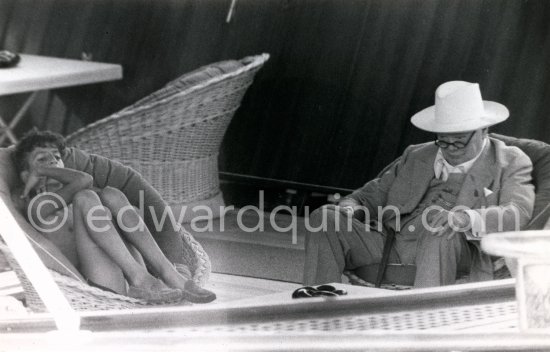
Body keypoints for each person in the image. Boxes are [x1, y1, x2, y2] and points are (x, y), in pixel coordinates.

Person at [303, 81, 535, 288]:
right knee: (325, 218)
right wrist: (349, 207)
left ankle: (423, 326)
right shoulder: (417, 155)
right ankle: (316, 308)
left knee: (441, 230)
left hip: (454, 251)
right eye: (443, 141)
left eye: (460, 142)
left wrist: (465, 218)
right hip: (390, 245)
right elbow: (366, 198)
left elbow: (517, 213)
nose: (450, 149)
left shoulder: (510, 160)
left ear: (484, 130)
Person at [13, 130, 216, 303]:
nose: (53, 162)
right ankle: (141, 279)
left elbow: (100, 192)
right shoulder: (38, 206)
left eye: (56, 157)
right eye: (42, 160)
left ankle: (170, 274)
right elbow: (83, 179)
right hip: (101, 284)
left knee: (111, 194)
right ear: (26, 175)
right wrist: (44, 171)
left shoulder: (76, 198)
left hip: (128, 274)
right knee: (86, 196)